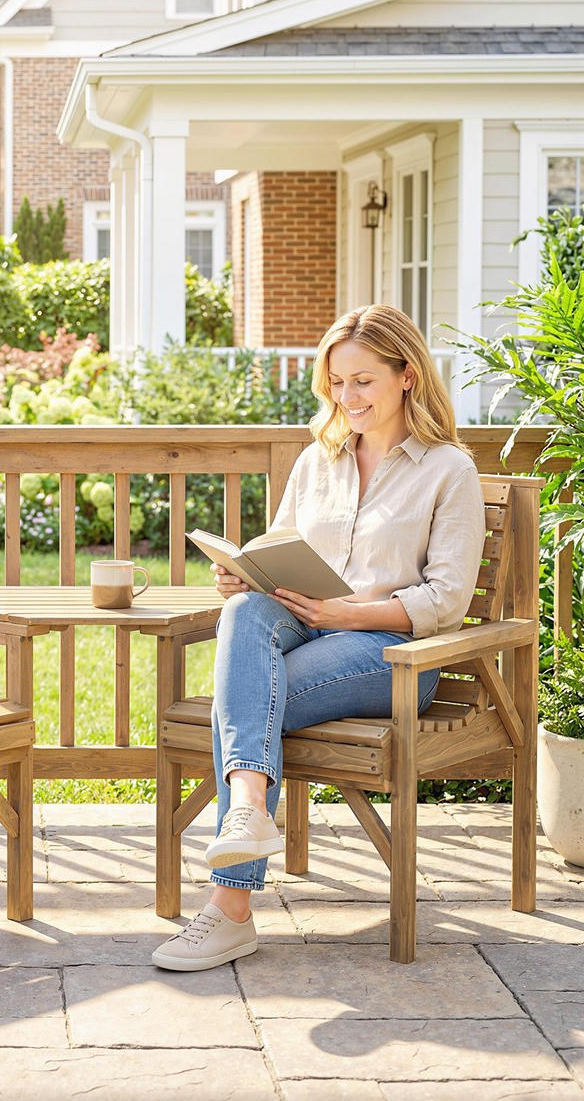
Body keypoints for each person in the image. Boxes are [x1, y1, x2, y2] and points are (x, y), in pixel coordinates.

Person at [152, 304, 485, 972]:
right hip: (305, 630)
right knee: (242, 616)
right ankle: (250, 811)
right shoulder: (317, 461)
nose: (347, 397)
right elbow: (279, 552)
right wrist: (244, 578)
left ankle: (231, 908)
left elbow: (447, 600)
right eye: (336, 383)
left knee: (242, 703)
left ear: (407, 376)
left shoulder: (448, 470)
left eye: (362, 381)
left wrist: (346, 614)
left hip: (394, 657)